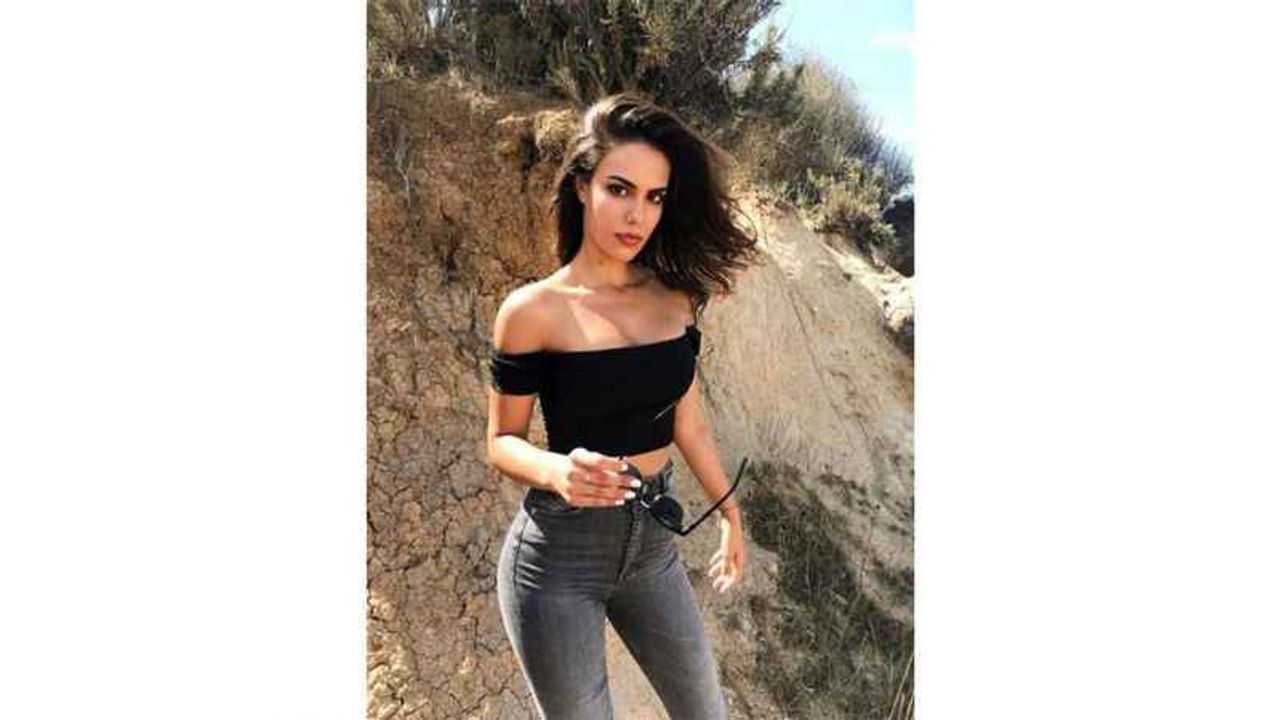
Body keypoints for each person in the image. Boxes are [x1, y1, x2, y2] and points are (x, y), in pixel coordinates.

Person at [486, 92, 761, 720]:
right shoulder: (532, 312)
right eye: (619, 189)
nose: (637, 215)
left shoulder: (675, 300)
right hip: (558, 558)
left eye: (654, 197)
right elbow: (501, 440)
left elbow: (687, 421)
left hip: (652, 548)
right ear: (582, 186)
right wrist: (557, 470)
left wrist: (729, 510)